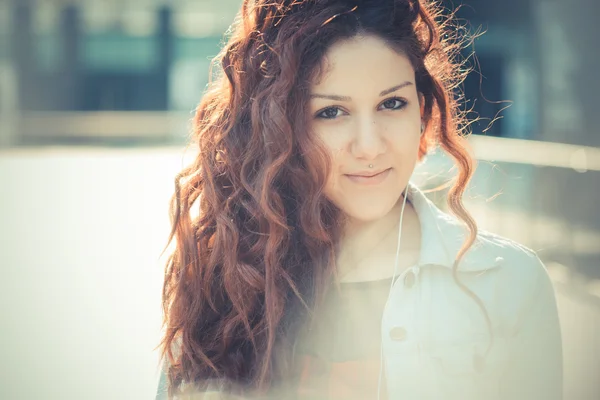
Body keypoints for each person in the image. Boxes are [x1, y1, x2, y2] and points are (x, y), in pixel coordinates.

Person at [156, 0, 563, 399]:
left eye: (392, 104)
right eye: (332, 112)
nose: (369, 147)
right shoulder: (226, 277)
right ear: (282, 129)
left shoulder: (507, 282)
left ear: (421, 114)